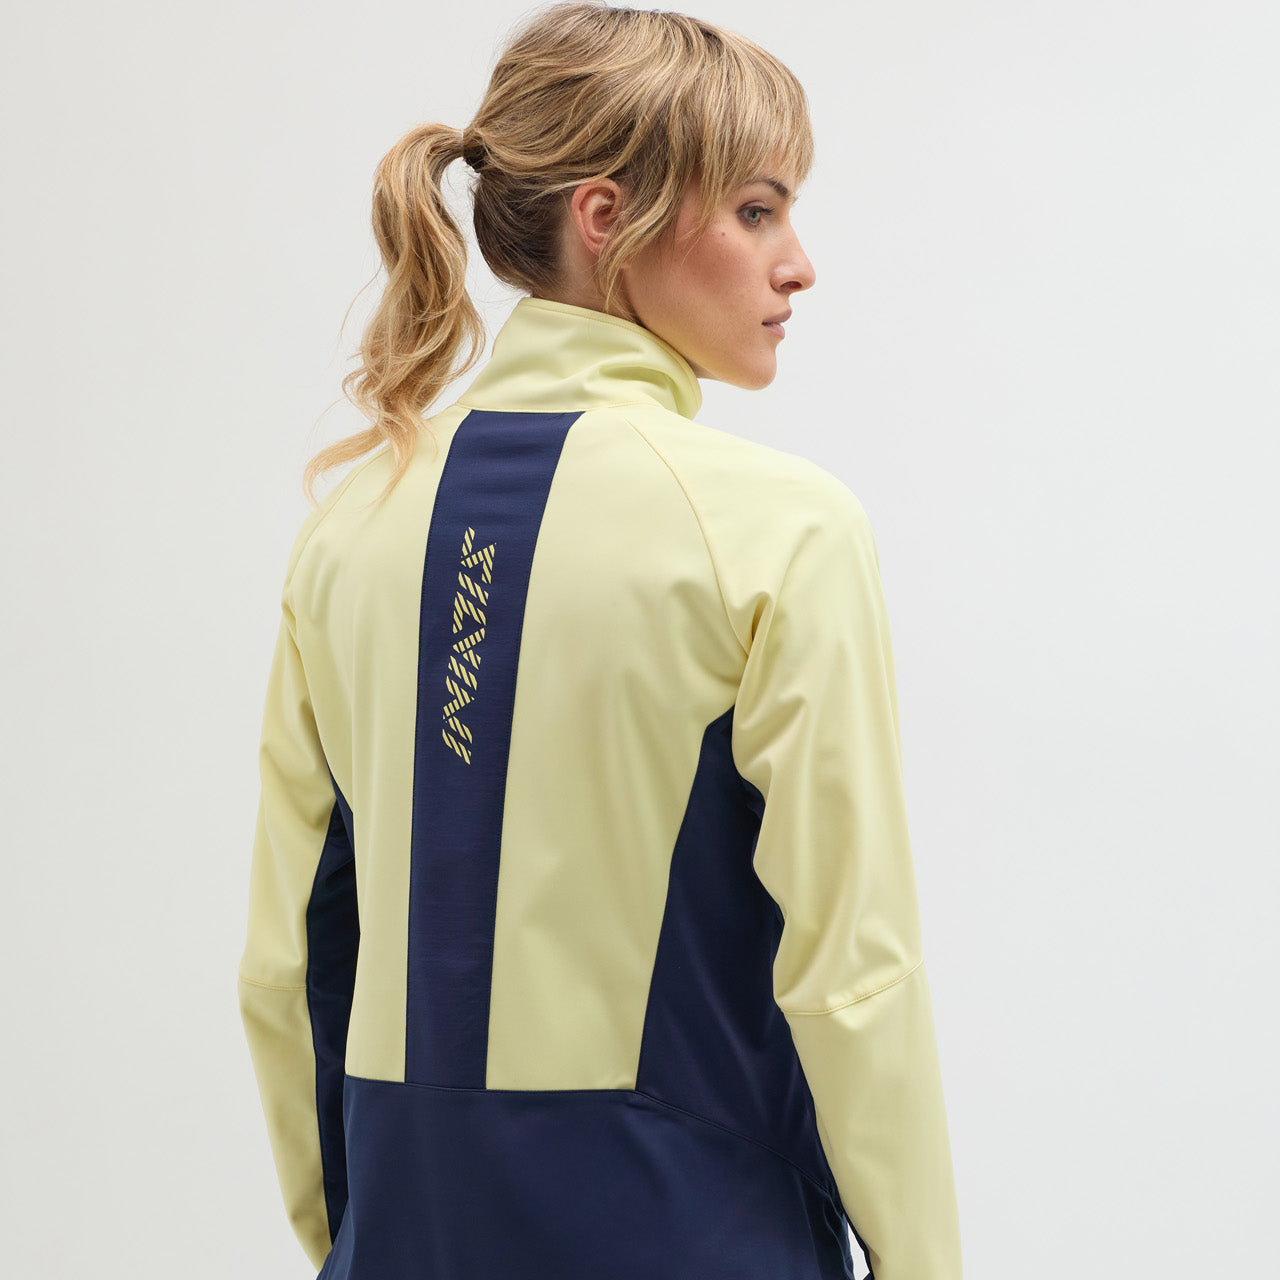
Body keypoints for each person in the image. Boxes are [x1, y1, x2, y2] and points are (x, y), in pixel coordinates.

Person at [237, 3, 963, 1277]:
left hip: (411, 1231)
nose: (797, 264)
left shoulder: (350, 526)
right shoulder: (776, 530)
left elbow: (291, 960)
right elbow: (852, 974)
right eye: (756, 210)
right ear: (604, 216)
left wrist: (352, 1235)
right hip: (697, 1229)